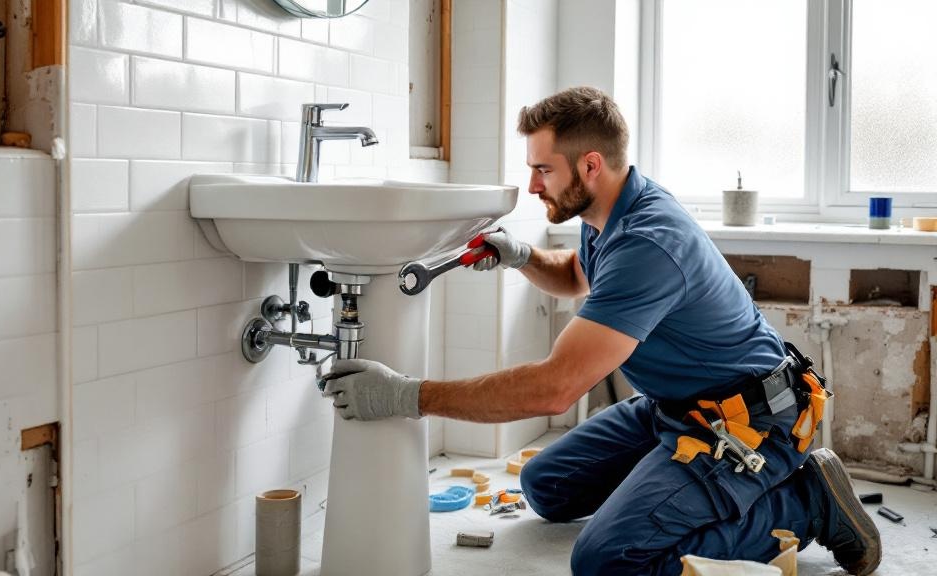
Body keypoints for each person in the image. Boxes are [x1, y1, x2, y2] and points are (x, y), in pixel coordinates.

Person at [320, 86, 881, 575]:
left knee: (608, 561)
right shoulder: (606, 212)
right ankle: (677, 490)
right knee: (546, 486)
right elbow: (577, 277)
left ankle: (806, 503)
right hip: (675, 407)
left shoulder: (647, 242)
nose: (533, 185)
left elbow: (554, 389)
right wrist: (520, 258)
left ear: (589, 165)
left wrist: (406, 395)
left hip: (747, 421)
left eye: (543, 169)